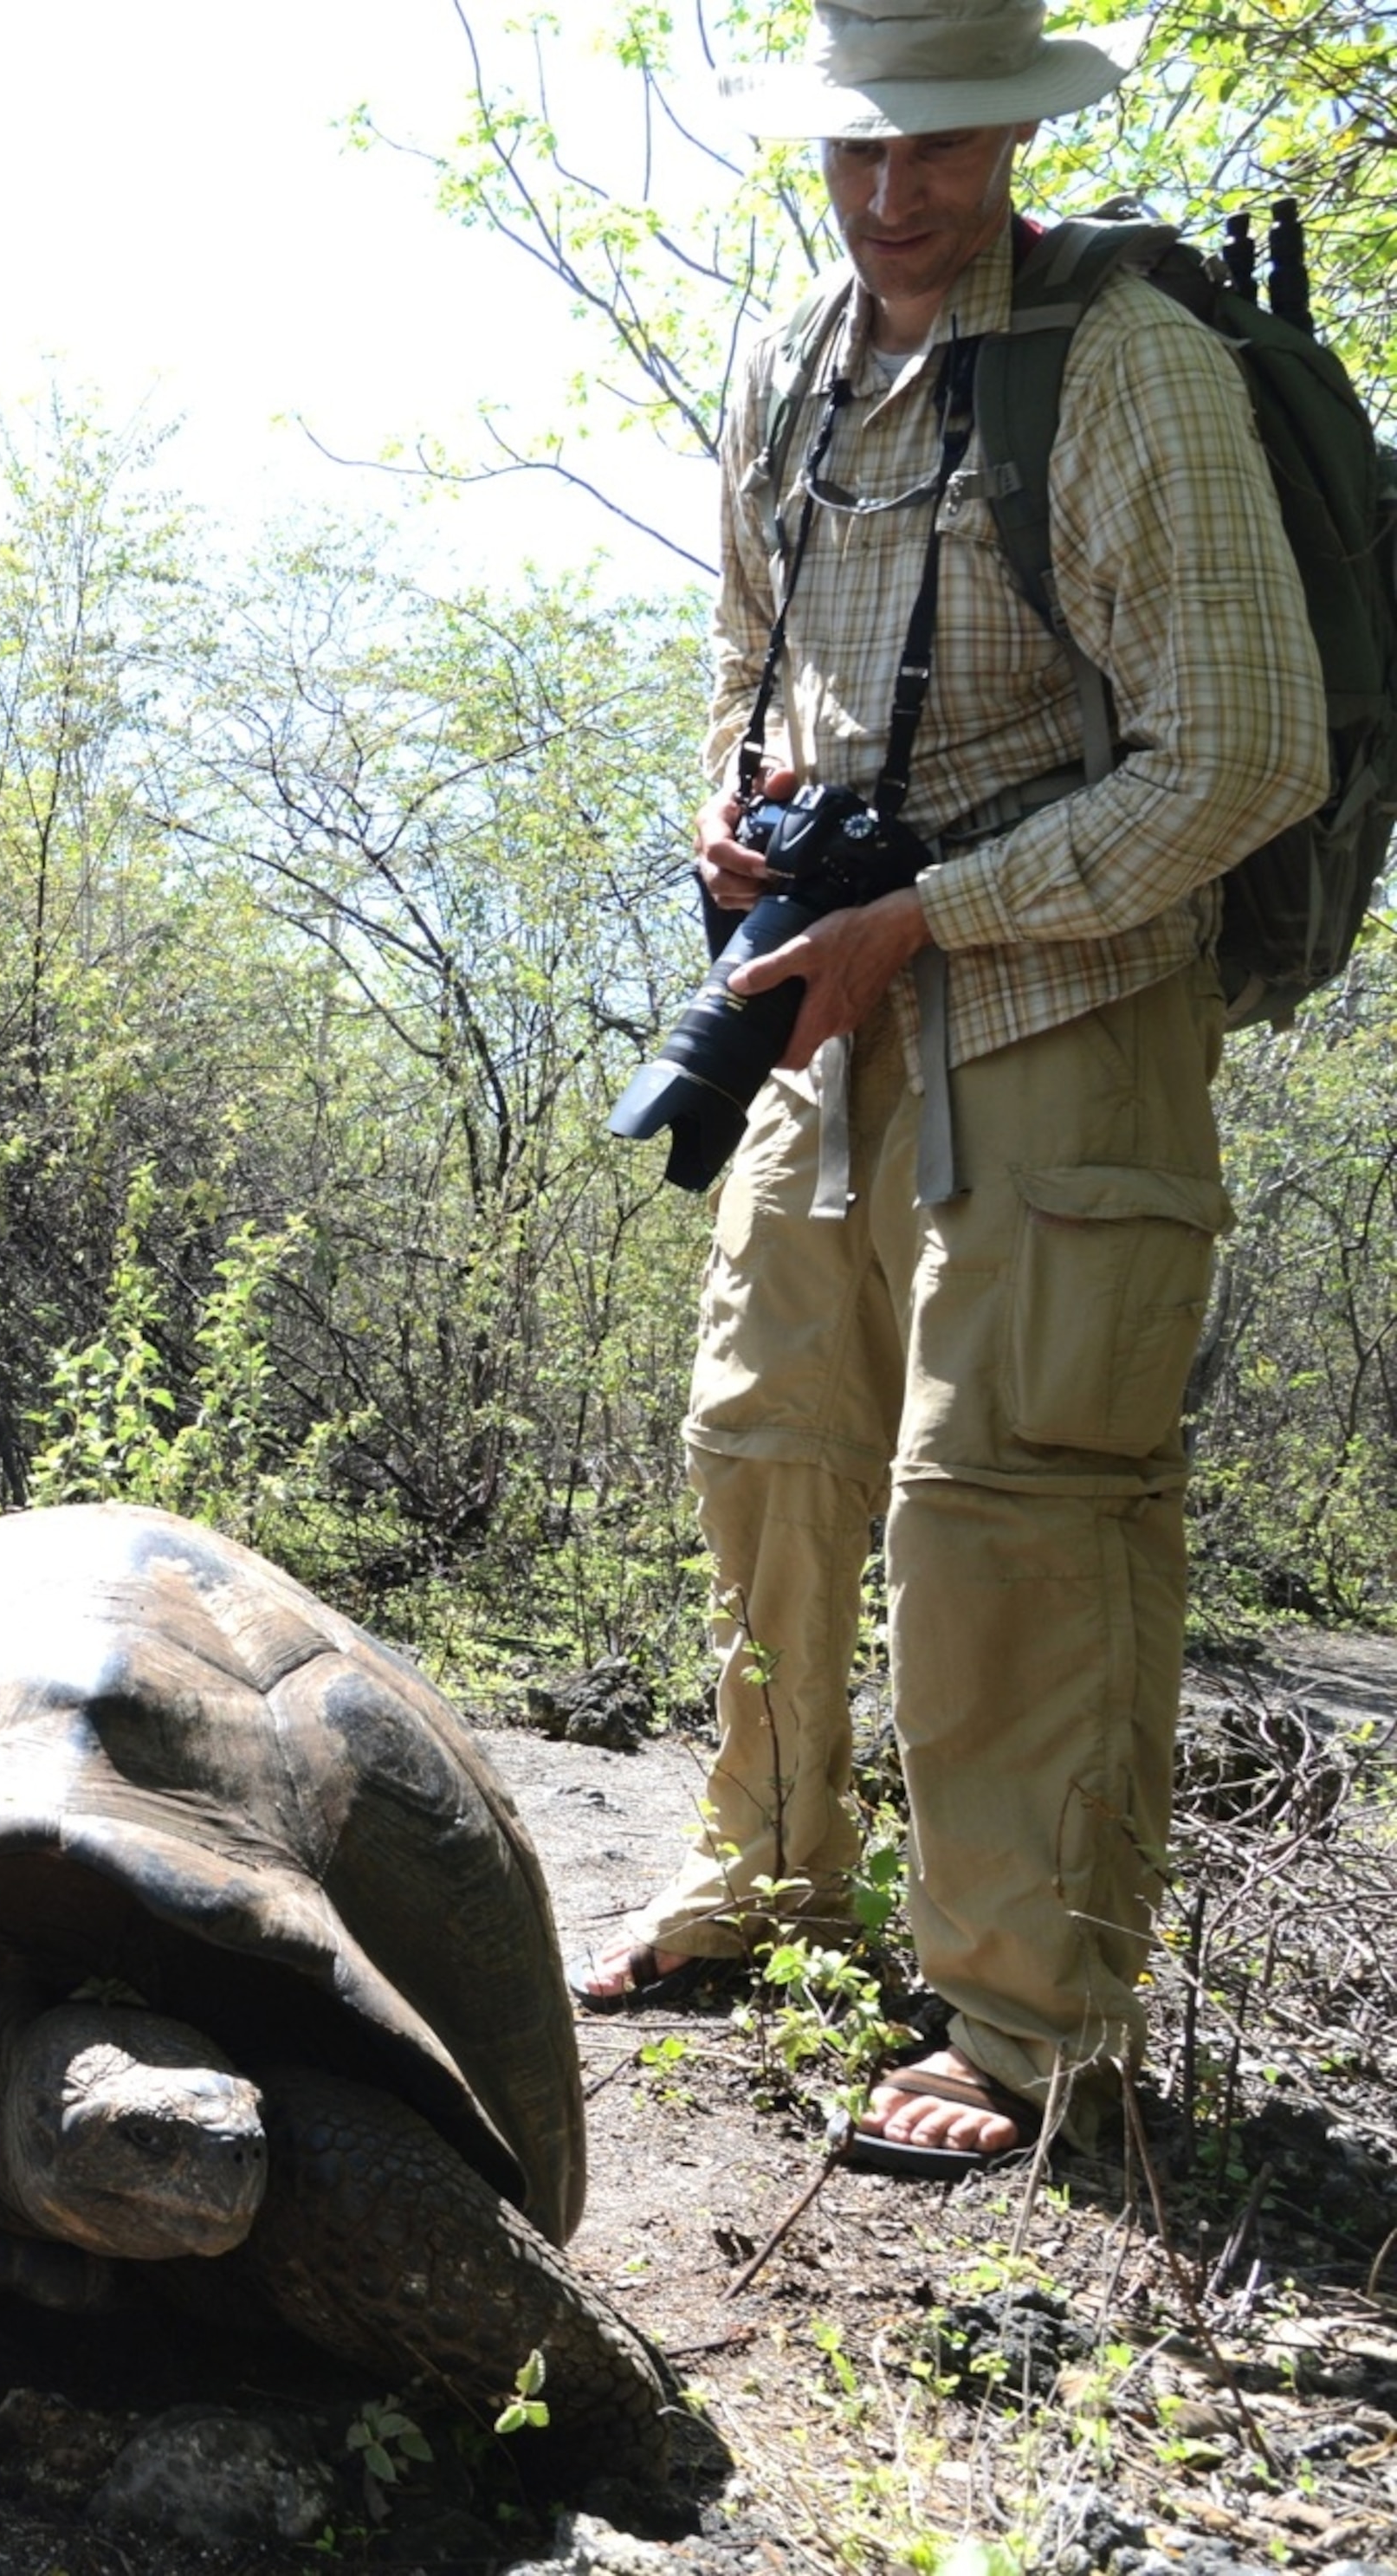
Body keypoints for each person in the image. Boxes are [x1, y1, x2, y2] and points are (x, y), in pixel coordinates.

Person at [576, 0, 1330, 2169]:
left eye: (940, 146)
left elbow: (1249, 752)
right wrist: (741, 824)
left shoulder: (1127, 364)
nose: (896, 194)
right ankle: (769, 1878)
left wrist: (944, 913)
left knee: (1009, 1503)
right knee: (769, 1444)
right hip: (825, 1001)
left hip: (1063, 1012)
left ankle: (1022, 2019)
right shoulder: (787, 362)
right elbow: (747, 655)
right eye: (859, 150)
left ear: (1011, 124)